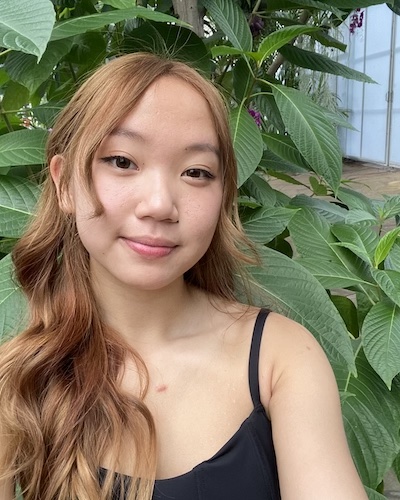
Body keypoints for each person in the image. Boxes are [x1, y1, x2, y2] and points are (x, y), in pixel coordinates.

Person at [0, 52, 367, 500]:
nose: (159, 204)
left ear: (223, 196)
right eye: (122, 161)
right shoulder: (20, 379)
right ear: (64, 186)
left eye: (196, 172)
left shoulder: (281, 359)